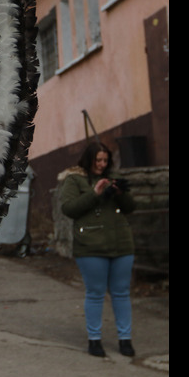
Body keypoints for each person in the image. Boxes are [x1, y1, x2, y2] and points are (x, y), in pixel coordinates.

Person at [59, 142, 137, 358]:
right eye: (98, 160)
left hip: (121, 243)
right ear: (89, 160)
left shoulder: (112, 177)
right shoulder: (74, 180)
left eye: (105, 160)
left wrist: (120, 192)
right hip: (91, 246)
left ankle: (125, 339)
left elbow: (130, 207)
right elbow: (69, 209)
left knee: (121, 293)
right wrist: (95, 193)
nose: (102, 164)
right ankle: (94, 340)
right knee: (95, 293)